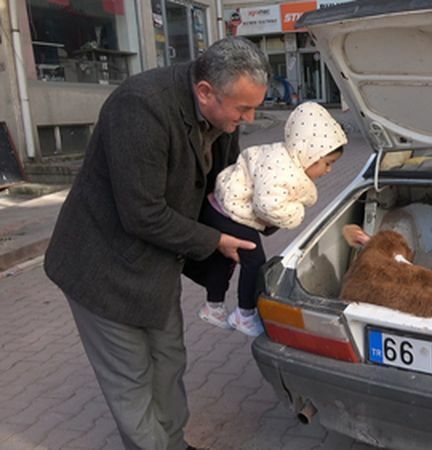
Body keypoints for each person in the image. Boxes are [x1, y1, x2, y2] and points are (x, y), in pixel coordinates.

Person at [43, 37, 269, 450]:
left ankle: (174, 442)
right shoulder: (140, 107)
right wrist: (215, 240)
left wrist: (266, 210)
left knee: (168, 361)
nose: (250, 118)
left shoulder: (219, 119)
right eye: (243, 109)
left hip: (156, 264)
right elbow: (142, 213)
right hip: (102, 269)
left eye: (255, 107)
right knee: (132, 379)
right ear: (205, 92)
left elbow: (220, 190)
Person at [186, 102, 348, 336]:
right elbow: (267, 205)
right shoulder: (283, 167)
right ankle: (245, 314)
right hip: (231, 212)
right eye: (327, 163)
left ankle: (214, 306)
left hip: (219, 207)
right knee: (254, 260)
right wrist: (296, 213)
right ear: (309, 153)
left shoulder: (282, 154)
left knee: (227, 257)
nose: (328, 170)